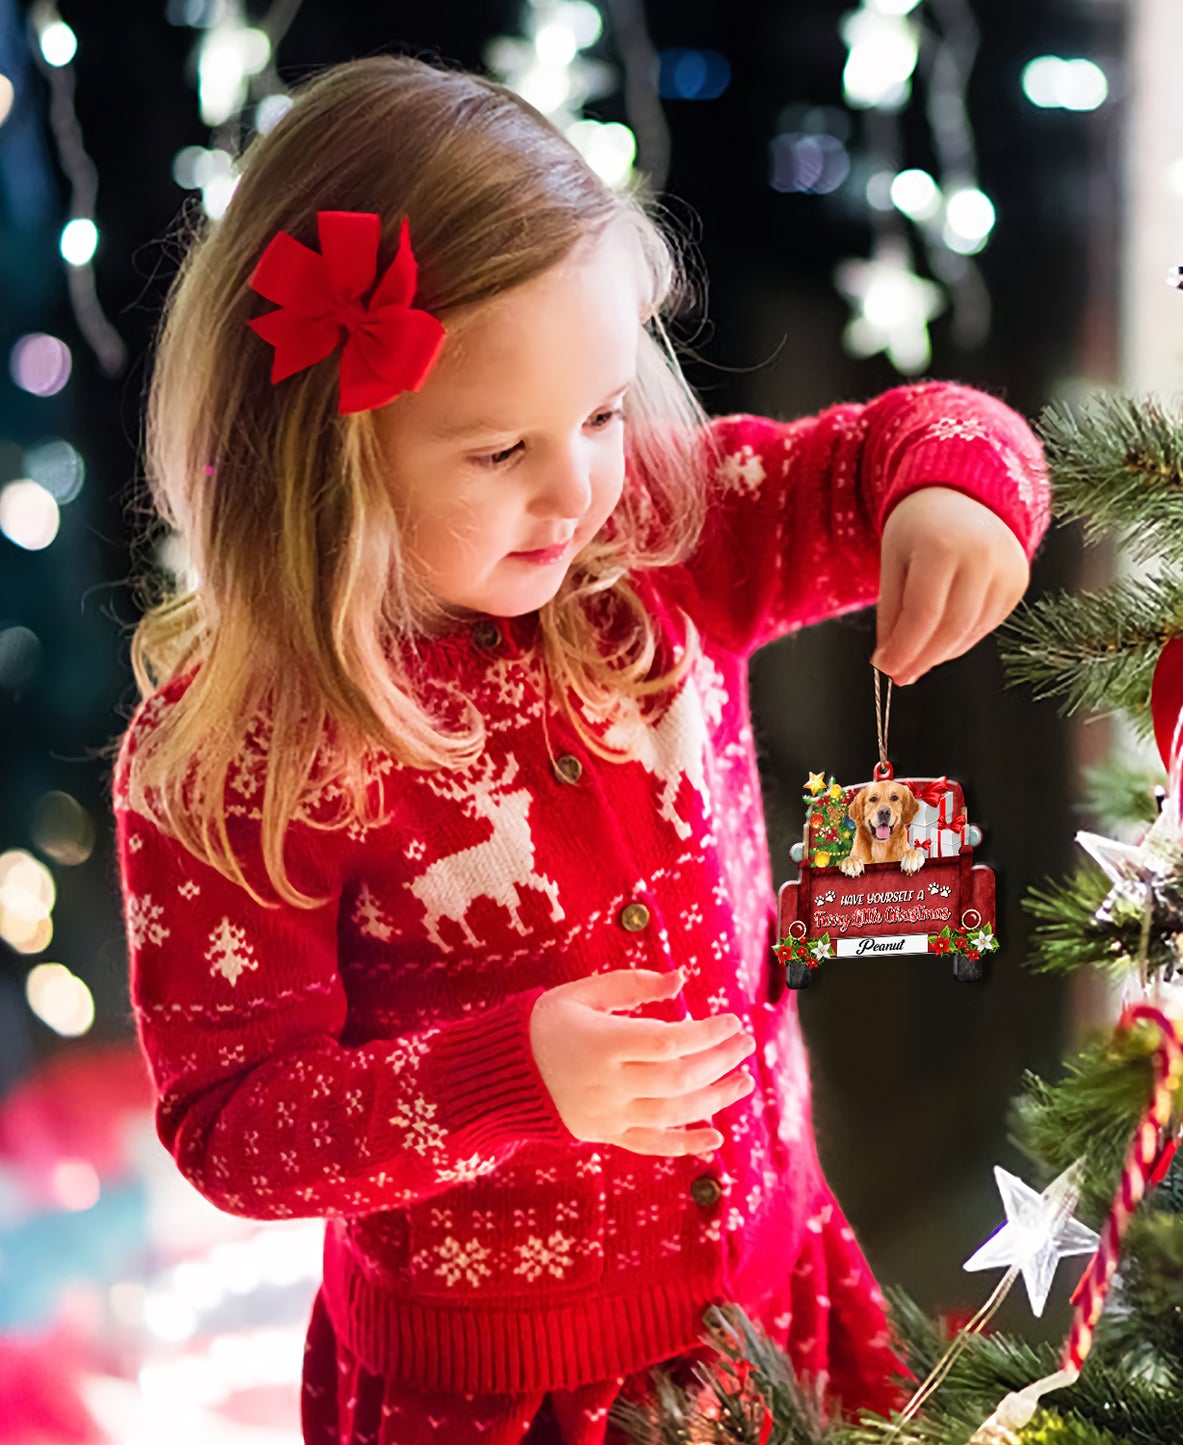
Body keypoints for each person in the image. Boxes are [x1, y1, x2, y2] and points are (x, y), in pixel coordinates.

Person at [110, 54, 1051, 1445]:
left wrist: (956, 496)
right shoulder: (235, 753)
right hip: (502, 1388)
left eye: (604, 412)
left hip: (767, 1284)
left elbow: (901, 444)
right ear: (321, 454)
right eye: (499, 452)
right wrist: (508, 1076)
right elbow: (233, 1127)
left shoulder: (660, 541)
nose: (577, 487)